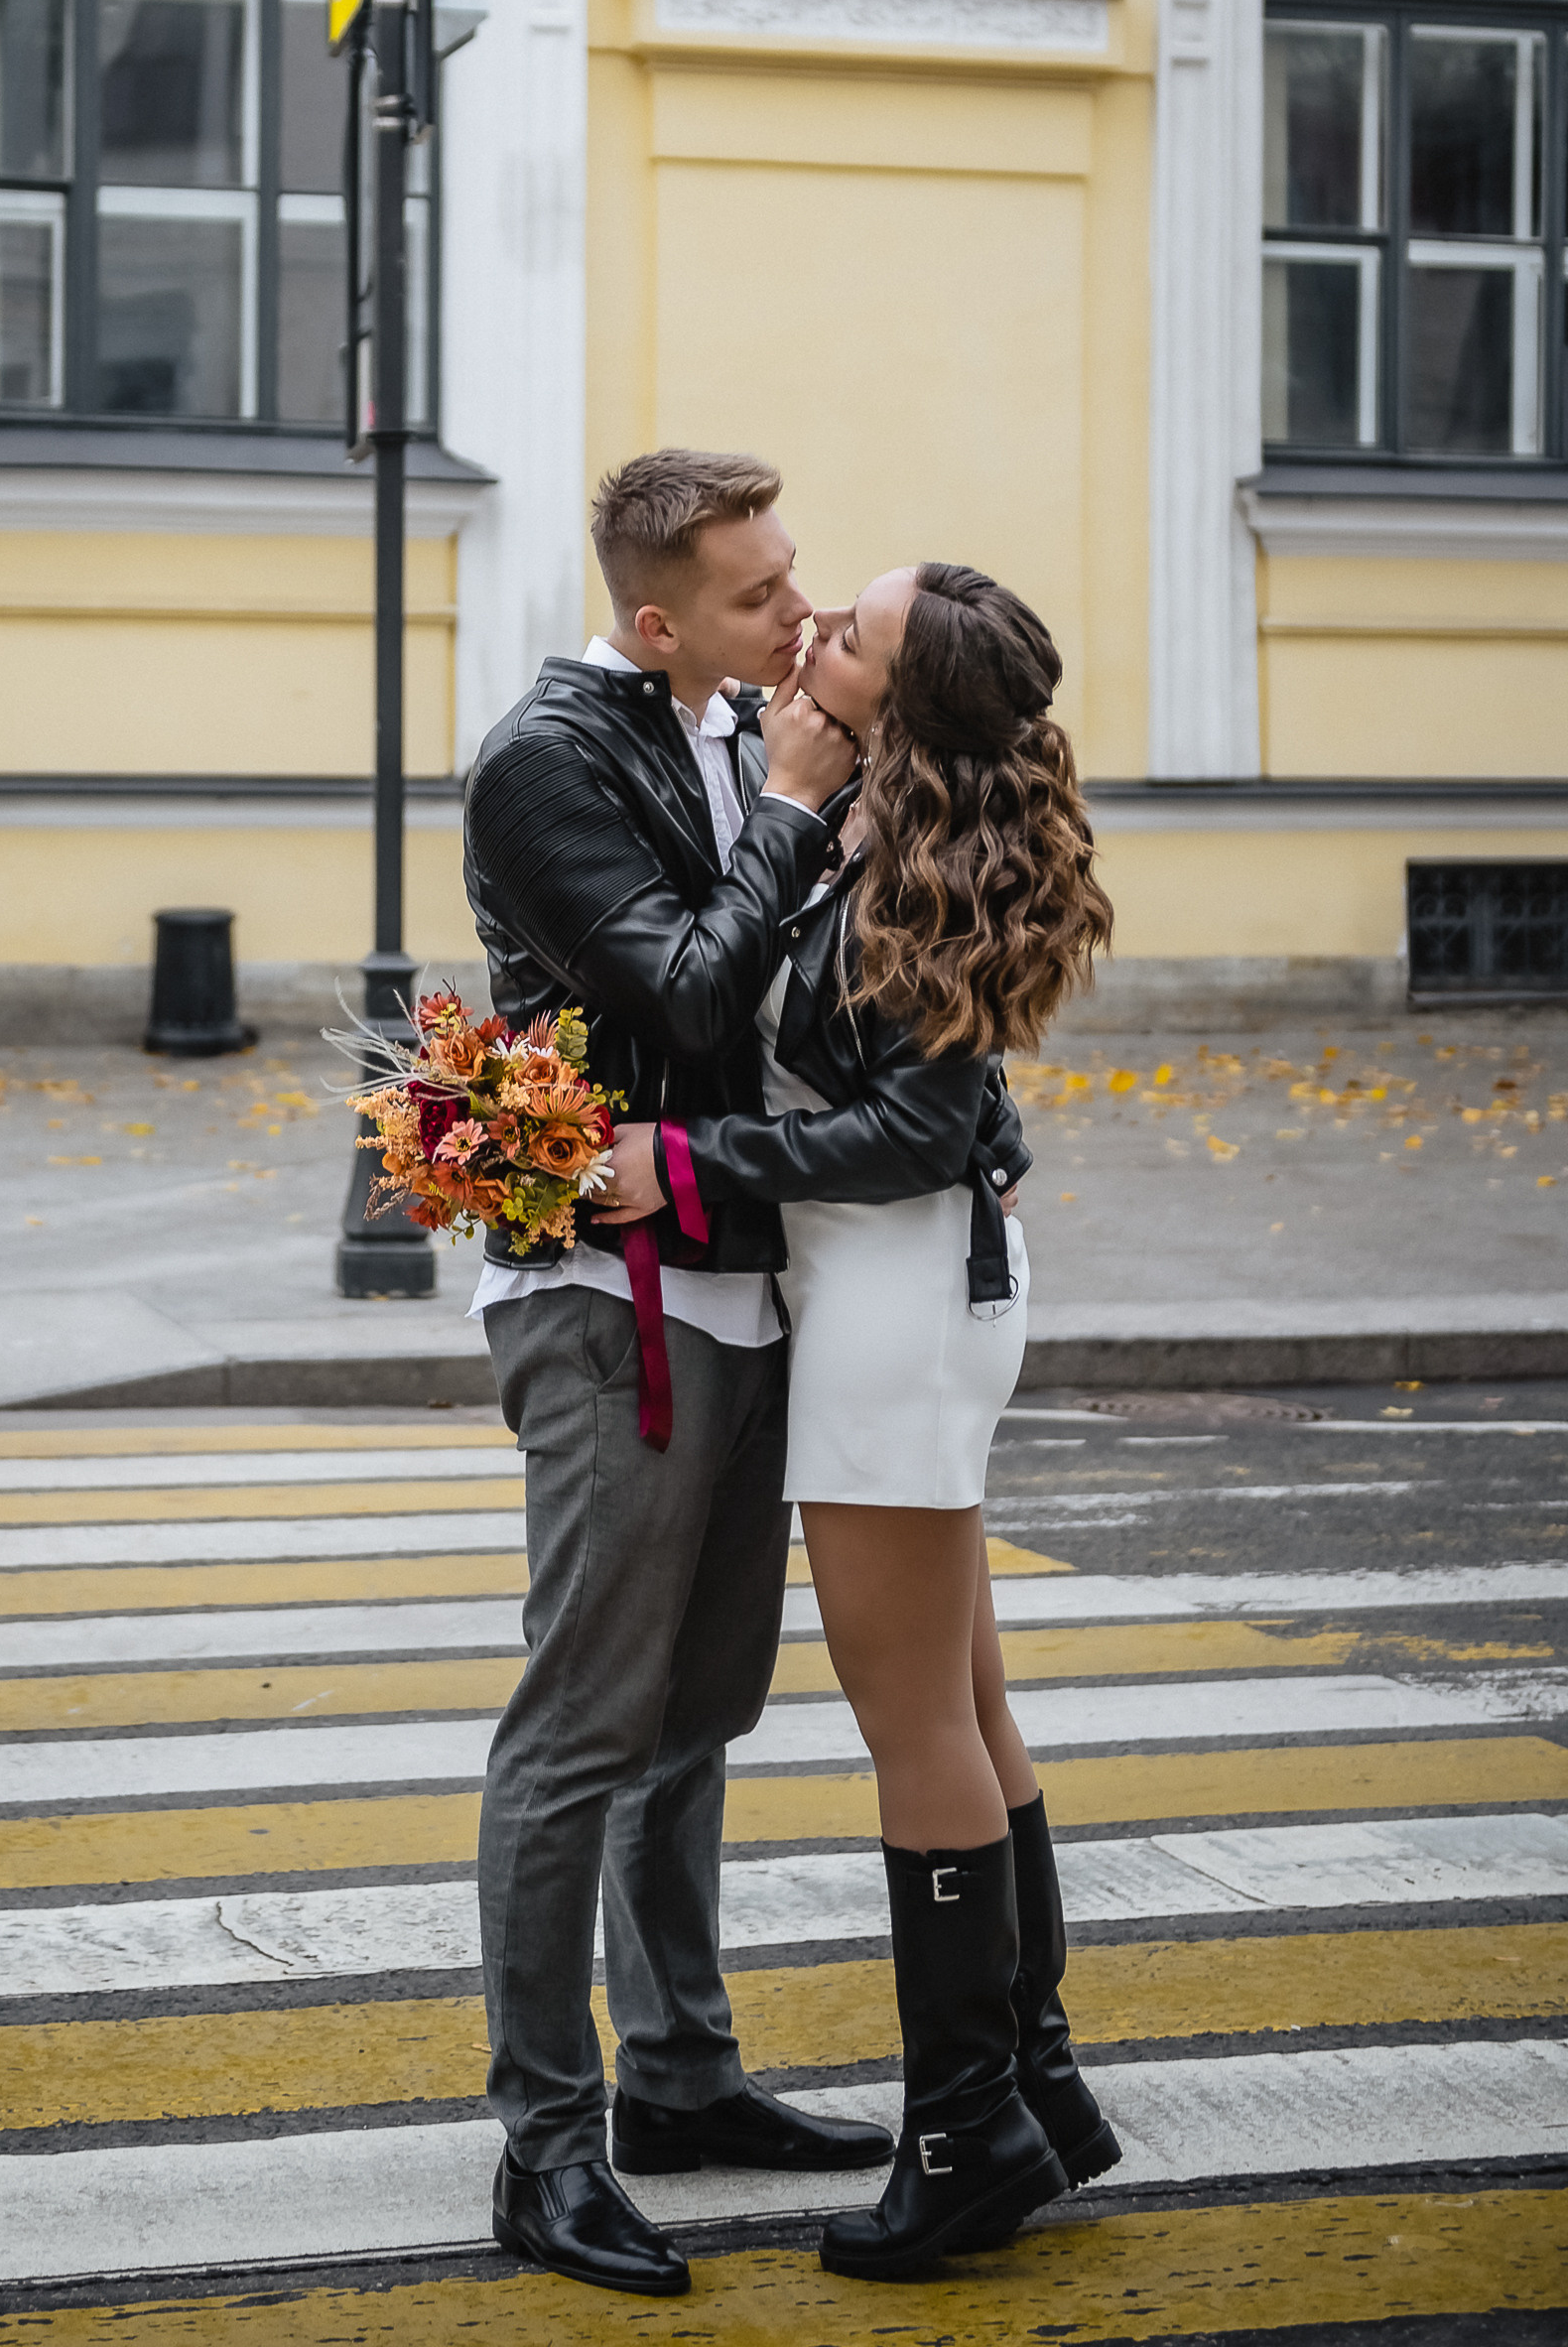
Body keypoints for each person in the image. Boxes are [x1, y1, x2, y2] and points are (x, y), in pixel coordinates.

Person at [462, 456, 1029, 2301]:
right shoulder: (553, 761)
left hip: (754, 1285)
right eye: (758, 596)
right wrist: (792, 799)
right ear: (655, 618)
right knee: (583, 1730)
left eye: (807, 588)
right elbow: (694, 998)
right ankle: (547, 2150)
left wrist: (962, 1123)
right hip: (609, 1291)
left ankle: (684, 2080)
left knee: (698, 1713)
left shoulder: (756, 732)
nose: (797, 621)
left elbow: (897, 983)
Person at [601, 559, 1118, 2278]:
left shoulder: (910, 861)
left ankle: (968, 2137)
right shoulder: (881, 836)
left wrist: (681, 1162)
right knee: (967, 1700)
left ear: (902, 702)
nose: (815, 630)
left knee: (917, 1728)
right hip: (909, 1289)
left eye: (854, 635)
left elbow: (914, 1126)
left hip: (896, 1298)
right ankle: (1037, 2086)